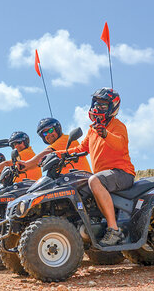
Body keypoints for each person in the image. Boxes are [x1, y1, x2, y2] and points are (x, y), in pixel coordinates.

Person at [56, 88, 135, 246]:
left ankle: (114, 231)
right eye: (96, 104)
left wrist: (105, 133)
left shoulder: (118, 126)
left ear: (113, 107)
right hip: (103, 177)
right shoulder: (92, 129)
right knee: (83, 184)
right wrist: (57, 154)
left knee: (93, 180)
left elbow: (120, 145)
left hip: (122, 173)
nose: (98, 108)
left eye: (103, 105)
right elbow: (81, 149)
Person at [17, 118, 91, 174]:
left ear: (57, 129)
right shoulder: (54, 148)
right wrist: (24, 168)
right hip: (66, 180)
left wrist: (27, 164)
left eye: (50, 130)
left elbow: (47, 152)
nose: (48, 134)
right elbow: (39, 162)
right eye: (45, 134)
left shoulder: (65, 139)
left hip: (81, 179)